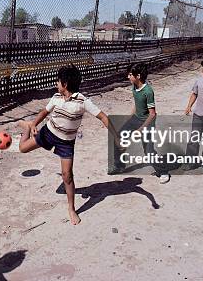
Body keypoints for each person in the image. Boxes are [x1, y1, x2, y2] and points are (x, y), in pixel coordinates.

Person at [17, 64, 116, 225]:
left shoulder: (83, 101)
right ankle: (27, 127)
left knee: (67, 176)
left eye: (58, 81)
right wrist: (34, 123)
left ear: (65, 84)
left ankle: (71, 209)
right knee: (22, 148)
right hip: (48, 133)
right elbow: (44, 112)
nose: (56, 83)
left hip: (66, 143)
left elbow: (103, 117)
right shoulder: (56, 97)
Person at [112, 63, 170, 183]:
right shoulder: (134, 86)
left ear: (138, 76)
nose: (128, 77)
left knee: (148, 152)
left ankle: (163, 172)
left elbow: (153, 114)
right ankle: (119, 166)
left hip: (147, 123)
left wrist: (141, 129)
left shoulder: (148, 91)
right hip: (136, 119)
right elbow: (137, 104)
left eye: (130, 75)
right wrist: (129, 118)